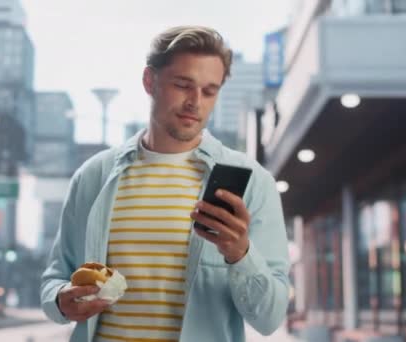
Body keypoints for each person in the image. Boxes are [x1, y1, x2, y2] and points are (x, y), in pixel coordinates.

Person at [41, 25, 291, 342]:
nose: (195, 102)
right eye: (183, 85)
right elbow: (54, 279)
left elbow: (270, 318)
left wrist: (241, 254)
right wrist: (61, 299)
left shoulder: (252, 182)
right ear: (150, 81)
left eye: (209, 91)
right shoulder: (94, 176)